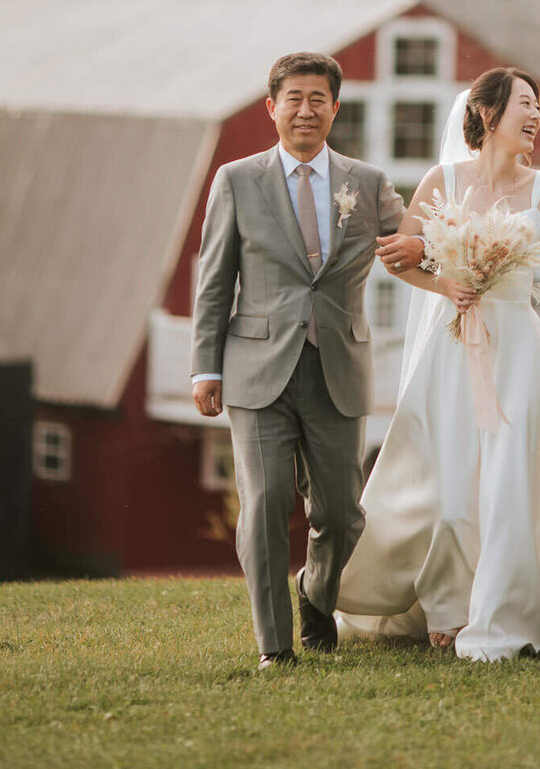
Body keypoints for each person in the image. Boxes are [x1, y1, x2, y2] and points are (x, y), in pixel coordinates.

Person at [336, 66, 540, 661]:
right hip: (454, 348)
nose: (535, 116)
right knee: (452, 487)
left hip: (520, 352)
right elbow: (398, 259)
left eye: (539, 107)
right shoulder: (441, 180)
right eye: (524, 104)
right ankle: (449, 603)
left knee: (508, 480)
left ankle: (506, 607)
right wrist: (444, 284)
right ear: (486, 113)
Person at [190, 51, 426, 668]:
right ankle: (275, 648)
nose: (305, 110)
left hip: (338, 368)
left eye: (317, 98)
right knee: (265, 502)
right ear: (272, 109)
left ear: (335, 108)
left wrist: (427, 242)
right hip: (255, 370)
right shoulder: (236, 181)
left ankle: (315, 592)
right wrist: (205, 367)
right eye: (293, 98)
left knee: (343, 515)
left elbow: (409, 248)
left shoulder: (367, 183)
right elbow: (214, 281)